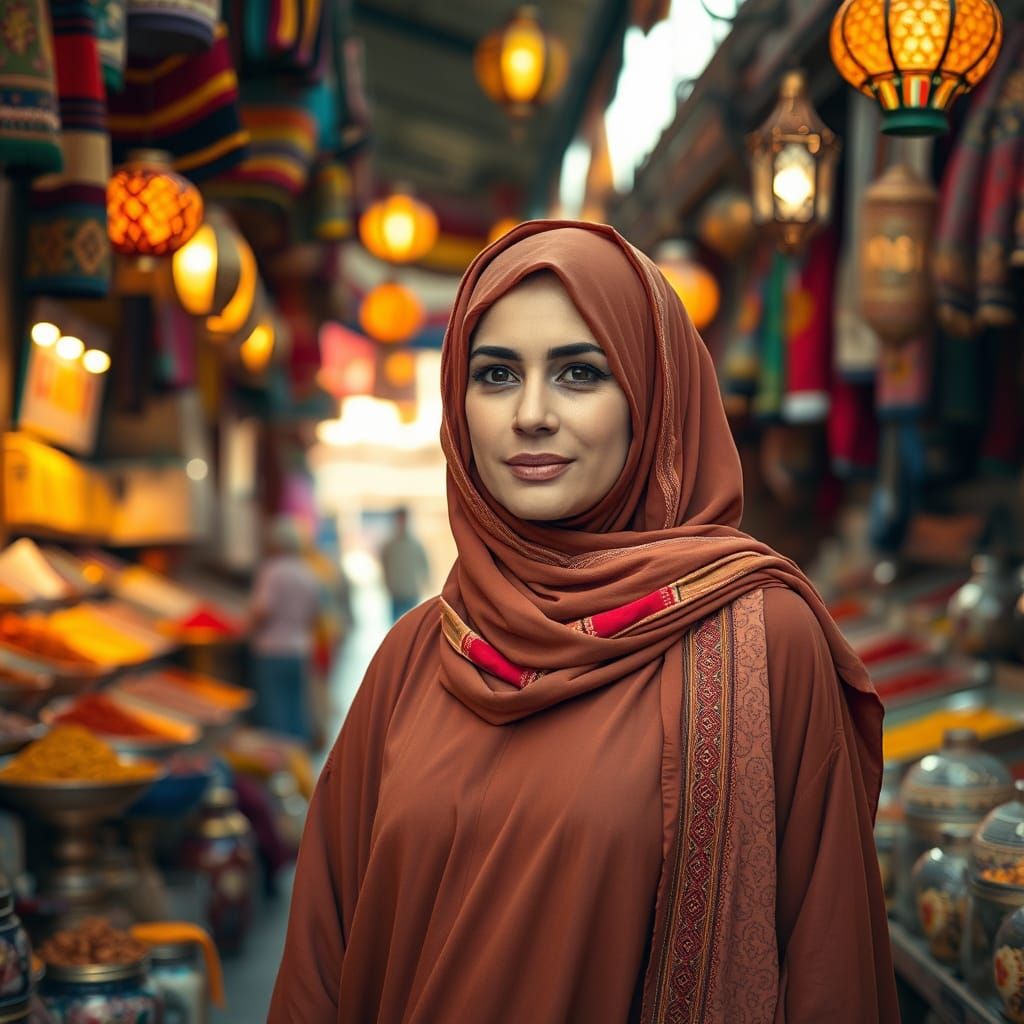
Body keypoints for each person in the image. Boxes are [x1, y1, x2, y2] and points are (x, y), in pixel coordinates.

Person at [268, 222, 899, 1023]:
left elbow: (826, 962)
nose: (530, 414)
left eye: (579, 372)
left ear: (652, 397)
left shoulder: (761, 638)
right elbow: (321, 961)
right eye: (496, 375)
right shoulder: (416, 656)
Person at [248, 516, 322, 744]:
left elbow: (263, 610)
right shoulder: (307, 572)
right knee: (295, 712)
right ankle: (298, 766)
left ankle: (281, 770)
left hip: (271, 651)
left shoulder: (272, 571)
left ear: (276, 544)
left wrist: (248, 626)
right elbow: (315, 614)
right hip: (299, 649)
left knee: (275, 715)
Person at [378, 507, 430, 622]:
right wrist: (387, 585)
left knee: (413, 625)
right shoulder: (389, 545)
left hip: (411, 593)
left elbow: (424, 566)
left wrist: (425, 584)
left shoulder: (415, 544)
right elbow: (384, 565)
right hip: (396, 593)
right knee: (396, 626)